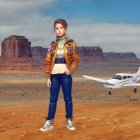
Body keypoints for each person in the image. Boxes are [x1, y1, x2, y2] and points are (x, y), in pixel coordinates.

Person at [40, 19, 80, 132]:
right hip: (54, 75)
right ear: (55, 30)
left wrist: (70, 69)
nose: (59, 30)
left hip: (65, 74)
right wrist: (48, 77)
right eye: (57, 28)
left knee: (68, 99)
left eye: (61, 28)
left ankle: (69, 120)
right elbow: (47, 61)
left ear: (65, 29)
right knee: (53, 99)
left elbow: (76, 59)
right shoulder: (51, 45)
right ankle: (49, 122)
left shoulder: (72, 43)